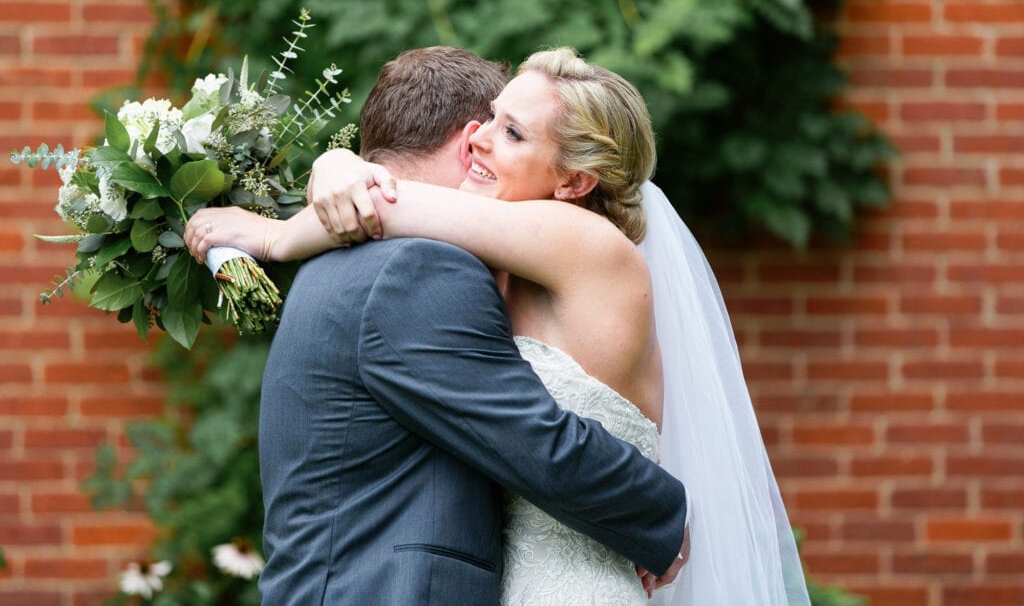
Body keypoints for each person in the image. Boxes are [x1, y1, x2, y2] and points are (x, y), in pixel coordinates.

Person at [189, 46, 809, 604]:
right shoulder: (481, 269)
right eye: (487, 121)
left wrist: (278, 228)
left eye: (510, 132)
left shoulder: (582, 240)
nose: (479, 139)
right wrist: (334, 165)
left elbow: (386, 203)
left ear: (575, 180)